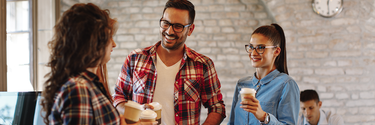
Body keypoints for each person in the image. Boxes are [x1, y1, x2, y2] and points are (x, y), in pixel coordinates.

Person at [113, 0, 226, 124]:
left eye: (178, 26)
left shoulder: (203, 65)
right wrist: (139, 111)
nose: (169, 31)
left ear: (190, 29)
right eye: (166, 23)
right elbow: (118, 98)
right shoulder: (135, 59)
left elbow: (217, 107)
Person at [40, 3, 124, 124]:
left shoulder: (87, 85)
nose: (114, 44)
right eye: (109, 37)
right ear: (93, 41)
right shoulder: (79, 89)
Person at [228, 24, 300, 125]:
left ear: (276, 51)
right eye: (251, 47)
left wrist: (264, 117)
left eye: (260, 47)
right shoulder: (242, 84)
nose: (253, 53)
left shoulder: (286, 85)